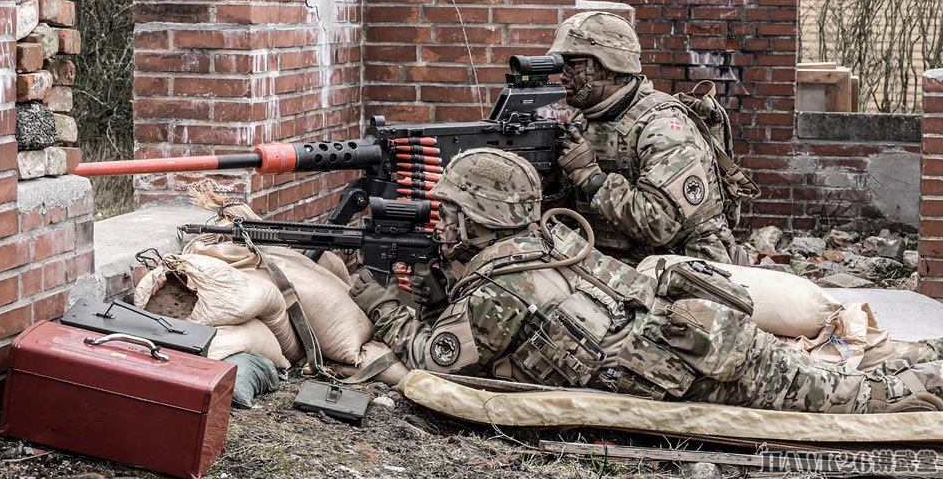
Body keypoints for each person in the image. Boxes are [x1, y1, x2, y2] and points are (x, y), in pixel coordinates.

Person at [350, 147, 943, 414]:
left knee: (858, 397)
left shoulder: (505, 289)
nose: (441, 221)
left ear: (477, 217)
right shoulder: (551, 242)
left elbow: (433, 356)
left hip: (699, 372)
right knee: (840, 373)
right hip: (705, 342)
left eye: (450, 211)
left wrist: (378, 297)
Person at [549, 11, 746, 265]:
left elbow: (659, 224)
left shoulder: (663, 127)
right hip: (619, 267)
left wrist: (590, 177)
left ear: (608, 67)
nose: (562, 75)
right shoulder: (585, 121)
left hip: (684, 271)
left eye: (572, 64)